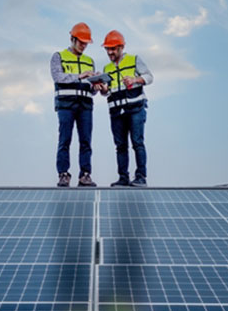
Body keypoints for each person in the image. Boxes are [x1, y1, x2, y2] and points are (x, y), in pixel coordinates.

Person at [51, 22, 104, 187]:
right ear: (72, 39)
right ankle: (63, 174)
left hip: (85, 106)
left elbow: (91, 88)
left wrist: (96, 86)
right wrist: (80, 76)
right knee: (65, 140)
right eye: (81, 42)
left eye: (86, 43)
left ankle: (85, 174)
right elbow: (58, 77)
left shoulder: (90, 61)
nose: (83, 46)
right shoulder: (58, 56)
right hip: (66, 105)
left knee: (86, 141)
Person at [100, 30, 153, 187]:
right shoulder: (107, 68)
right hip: (116, 113)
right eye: (107, 49)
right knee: (120, 146)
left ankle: (141, 177)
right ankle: (123, 178)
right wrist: (103, 90)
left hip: (135, 109)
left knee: (137, 142)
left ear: (121, 47)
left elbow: (150, 77)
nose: (110, 52)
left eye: (113, 49)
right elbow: (107, 91)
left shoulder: (134, 60)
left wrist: (135, 79)